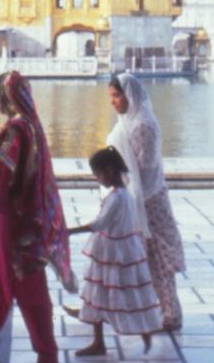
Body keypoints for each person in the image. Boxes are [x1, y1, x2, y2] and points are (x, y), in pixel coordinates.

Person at [0, 72, 75, 363]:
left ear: (5, 97)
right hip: (17, 220)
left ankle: (47, 354)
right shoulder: (31, 126)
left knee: (29, 290)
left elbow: (3, 189)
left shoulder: (16, 130)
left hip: (14, 224)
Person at [106, 72, 186, 331]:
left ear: (129, 95)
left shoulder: (143, 125)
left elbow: (143, 167)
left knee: (158, 258)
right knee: (138, 257)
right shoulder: (128, 121)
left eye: (116, 96)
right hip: (138, 198)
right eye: (111, 96)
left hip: (149, 200)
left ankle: (170, 314)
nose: (113, 102)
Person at [67, 146, 161, 357]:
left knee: (103, 293)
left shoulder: (116, 198)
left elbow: (100, 223)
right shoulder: (123, 194)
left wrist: (70, 230)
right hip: (118, 251)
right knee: (108, 293)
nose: (97, 179)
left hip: (112, 255)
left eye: (97, 174)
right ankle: (105, 339)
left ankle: (108, 339)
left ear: (109, 170)